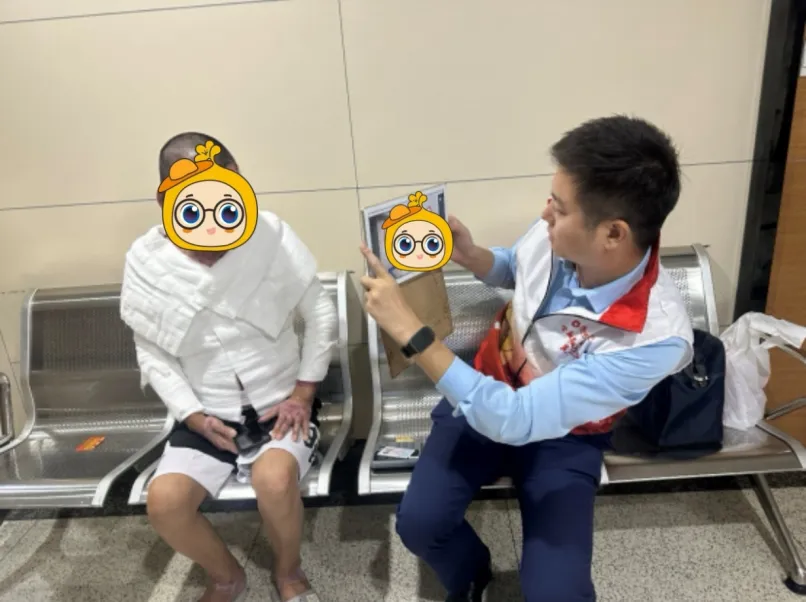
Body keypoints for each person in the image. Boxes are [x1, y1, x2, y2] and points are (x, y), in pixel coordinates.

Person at [359, 115, 695, 602]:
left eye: (559, 208)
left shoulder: (654, 338)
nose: (544, 214)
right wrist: (472, 255)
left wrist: (411, 332)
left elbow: (515, 420)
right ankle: (473, 576)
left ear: (613, 234)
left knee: (558, 593)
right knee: (419, 524)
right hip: (480, 395)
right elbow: (516, 268)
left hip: (566, 438)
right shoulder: (556, 233)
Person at [120, 131, 335, 602]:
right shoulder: (147, 261)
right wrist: (193, 415)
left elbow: (319, 312)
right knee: (165, 502)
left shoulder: (270, 235)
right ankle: (225, 576)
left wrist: (303, 393)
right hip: (206, 414)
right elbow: (152, 351)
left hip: (282, 405)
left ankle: (288, 571)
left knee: (274, 480)